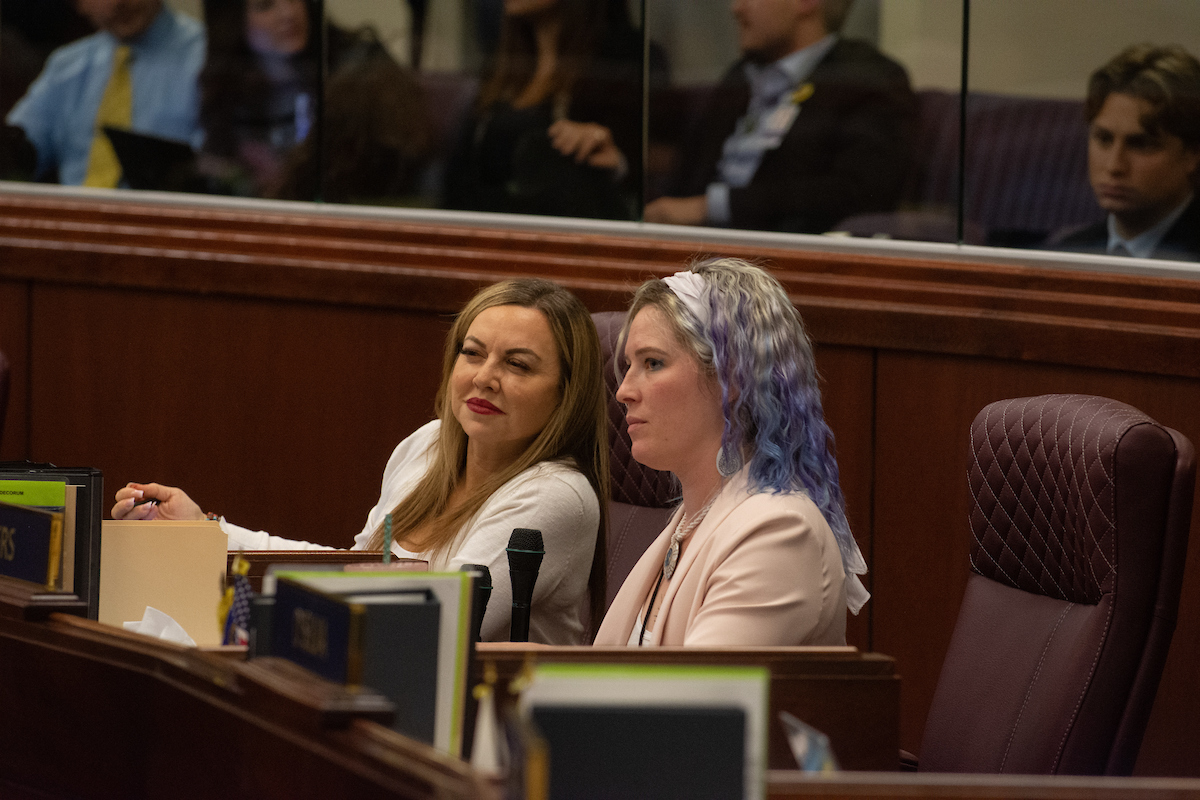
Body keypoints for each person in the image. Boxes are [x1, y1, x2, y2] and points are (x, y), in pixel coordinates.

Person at [111, 278, 609, 645]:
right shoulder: (429, 445)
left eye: (517, 364)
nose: (484, 377)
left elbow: (424, 623)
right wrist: (205, 531)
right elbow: (348, 569)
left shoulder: (558, 495)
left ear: (567, 392)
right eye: (473, 354)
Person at [593, 258, 868, 646]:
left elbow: (695, 701)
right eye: (629, 365)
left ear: (732, 378)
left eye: (653, 363)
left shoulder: (778, 532)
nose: (623, 391)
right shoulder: (692, 518)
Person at [643, 0, 916, 234]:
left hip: (786, 266)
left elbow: (854, 194)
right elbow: (683, 179)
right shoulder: (741, 75)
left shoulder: (865, 80)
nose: (736, 8)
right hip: (695, 257)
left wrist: (710, 207)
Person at [441, 0, 657, 220]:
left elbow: (651, 169)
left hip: (573, 235)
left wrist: (618, 164)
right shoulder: (502, 62)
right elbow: (458, 175)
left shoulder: (625, 58)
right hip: (486, 231)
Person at [198, 0, 431, 201]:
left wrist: (284, 174)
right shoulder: (229, 86)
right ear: (231, 19)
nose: (288, 13)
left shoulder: (361, 70)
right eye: (265, 5)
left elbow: (384, 176)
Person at [5, 0, 205, 186]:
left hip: (166, 218)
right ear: (79, 5)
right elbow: (17, 153)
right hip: (74, 216)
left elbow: (216, 173)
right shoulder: (66, 67)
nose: (118, 3)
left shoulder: (208, 60)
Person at [1053, 44, 1200, 262]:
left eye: (1141, 145)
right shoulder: (1068, 253)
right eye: (1103, 139)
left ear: (1192, 154)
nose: (1114, 166)